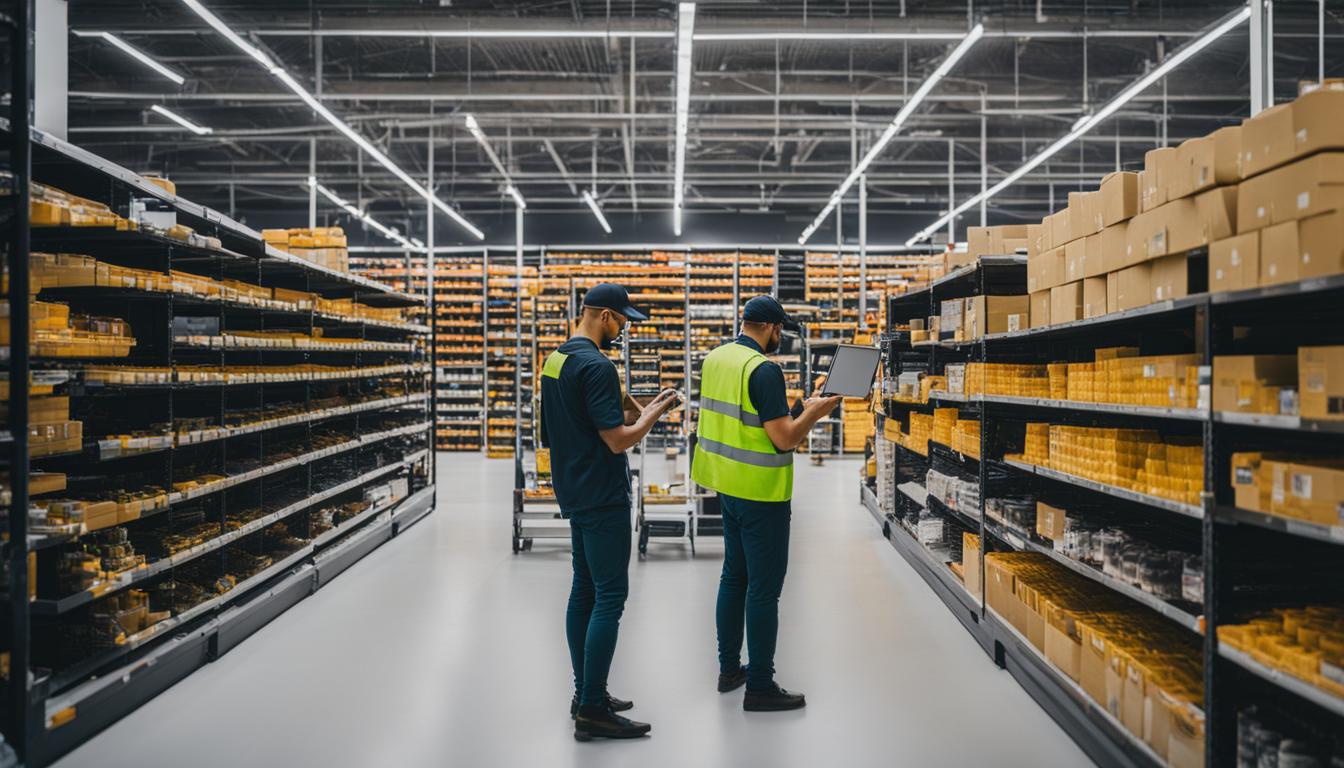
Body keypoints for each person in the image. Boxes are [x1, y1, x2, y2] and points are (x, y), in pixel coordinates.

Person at [539, 282, 680, 742]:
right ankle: (594, 710)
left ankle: (585, 693)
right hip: (602, 493)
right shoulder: (598, 366)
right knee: (610, 597)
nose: (622, 329)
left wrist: (642, 407)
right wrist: (652, 418)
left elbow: (565, 424)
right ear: (601, 315)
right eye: (621, 321)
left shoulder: (556, 359)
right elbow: (618, 439)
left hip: (573, 488)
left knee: (584, 591)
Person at [691, 295, 842, 712]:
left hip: (727, 487)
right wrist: (819, 411)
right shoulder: (764, 369)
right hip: (762, 492)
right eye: (781, 331)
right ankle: (759, 684)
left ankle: (728, 669)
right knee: (763, 589)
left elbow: (757, 419)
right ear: (772, 328)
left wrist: (800, 407)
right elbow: (785, 439)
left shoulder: (717, 359)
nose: (780, 339)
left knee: (733, 576)